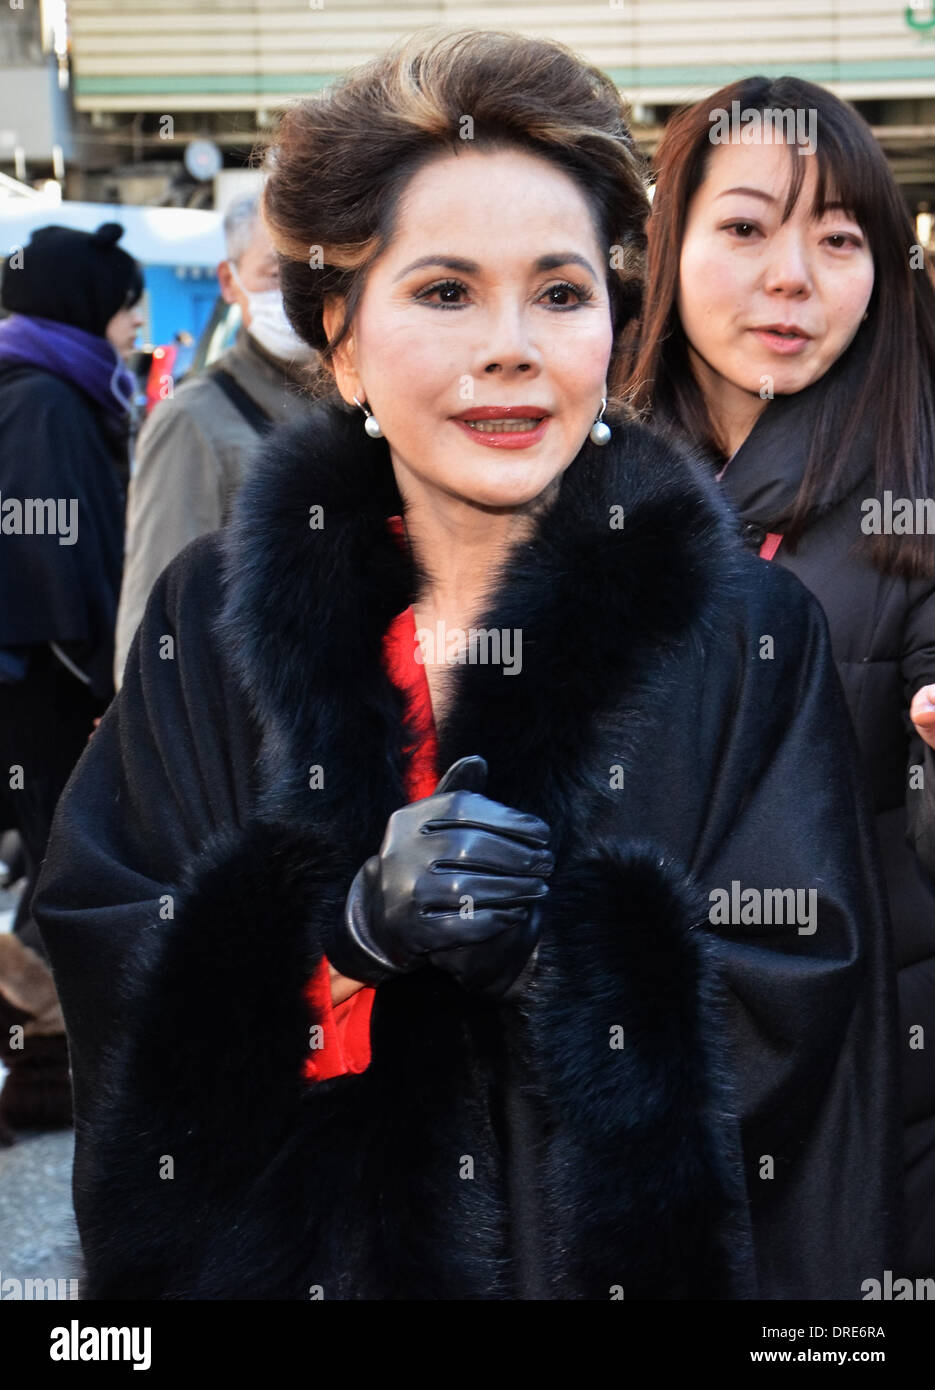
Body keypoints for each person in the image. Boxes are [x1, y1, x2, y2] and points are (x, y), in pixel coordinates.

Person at [35, 30, 900, 1300]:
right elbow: (115, 958)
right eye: (444, 293)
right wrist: (337, 938)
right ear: (337, 337)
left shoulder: (743, 627)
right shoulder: (213, 613)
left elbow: (805, 997)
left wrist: (562, 957)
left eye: (558, 293)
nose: (512, 347)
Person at [624, 74, 935, 1279]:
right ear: (670, 243)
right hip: (621, 1081)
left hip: (877, 1094)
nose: (792, 278)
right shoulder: (573, 474)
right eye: (745, 227)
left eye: (838, 238)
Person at [0, 222, 143, 1136]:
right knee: (63, 855)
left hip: (46, 676)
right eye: (128, 305)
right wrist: (102, 685)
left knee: (57, 858)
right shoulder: (44, 401)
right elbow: (49, 562)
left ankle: (44, 1069)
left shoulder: (54, 385)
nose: (134, 325)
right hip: (43, 685)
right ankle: (37, 1051)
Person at [112, 195, 316, 687]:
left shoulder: (370, 401)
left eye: (312, 271)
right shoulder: (193, 420)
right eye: (274, 273)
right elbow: (154, 617)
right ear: (230, 282)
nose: (296, 293)